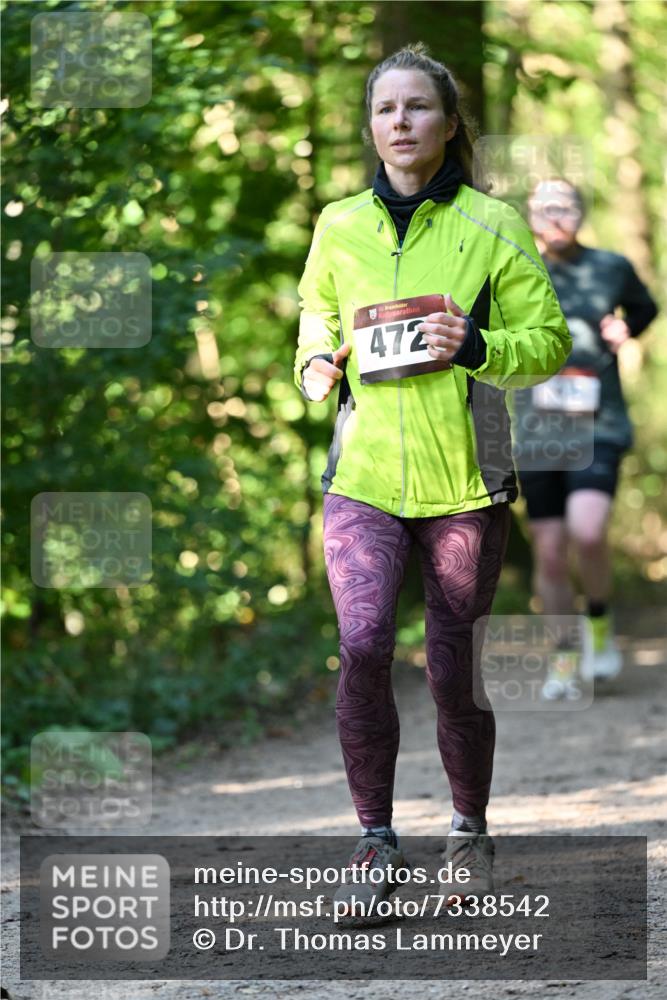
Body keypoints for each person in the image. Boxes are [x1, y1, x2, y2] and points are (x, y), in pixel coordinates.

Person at [294, 43, 570, 911]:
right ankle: (374, 842)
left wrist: (479, 346)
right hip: (364, 476)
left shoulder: (494, 225)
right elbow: (316, 315)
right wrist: (313, 367)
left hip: (466, 478)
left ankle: (466, 833)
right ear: (371, 125)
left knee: (454, 669)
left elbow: (549, 344)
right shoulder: (338, 223)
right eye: (385, 109)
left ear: (449, 125)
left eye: (418, 108)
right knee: (366, 644)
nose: (400, 122)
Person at [519, 179, 658, 700]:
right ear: (530, 217)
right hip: (534, 427)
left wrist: (627, 329)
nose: (556, 215)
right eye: (545, 208)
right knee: (551, 552)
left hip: (598, 421)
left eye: (567, 206)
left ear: (581, 214)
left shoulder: (611, 267)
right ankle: (563, 658)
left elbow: (644, 309)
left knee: (589, 530)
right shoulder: (515, 269)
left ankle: (598, 625)